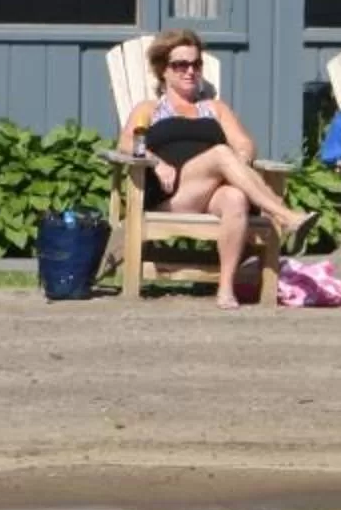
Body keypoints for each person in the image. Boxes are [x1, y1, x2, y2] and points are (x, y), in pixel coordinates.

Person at [119, 29, 311, 309]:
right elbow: (126, 143)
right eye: (180, 65)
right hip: (172, 196)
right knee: (221, 153)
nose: (190, 71)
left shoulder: (215, 109)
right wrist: (157, 162)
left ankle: (226, 289)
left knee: (235, 197)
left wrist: (240, 159)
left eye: (196, 64)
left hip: (212, 195)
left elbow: (245, 144)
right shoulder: (150, 109)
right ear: (163, 71)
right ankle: (284, 215)